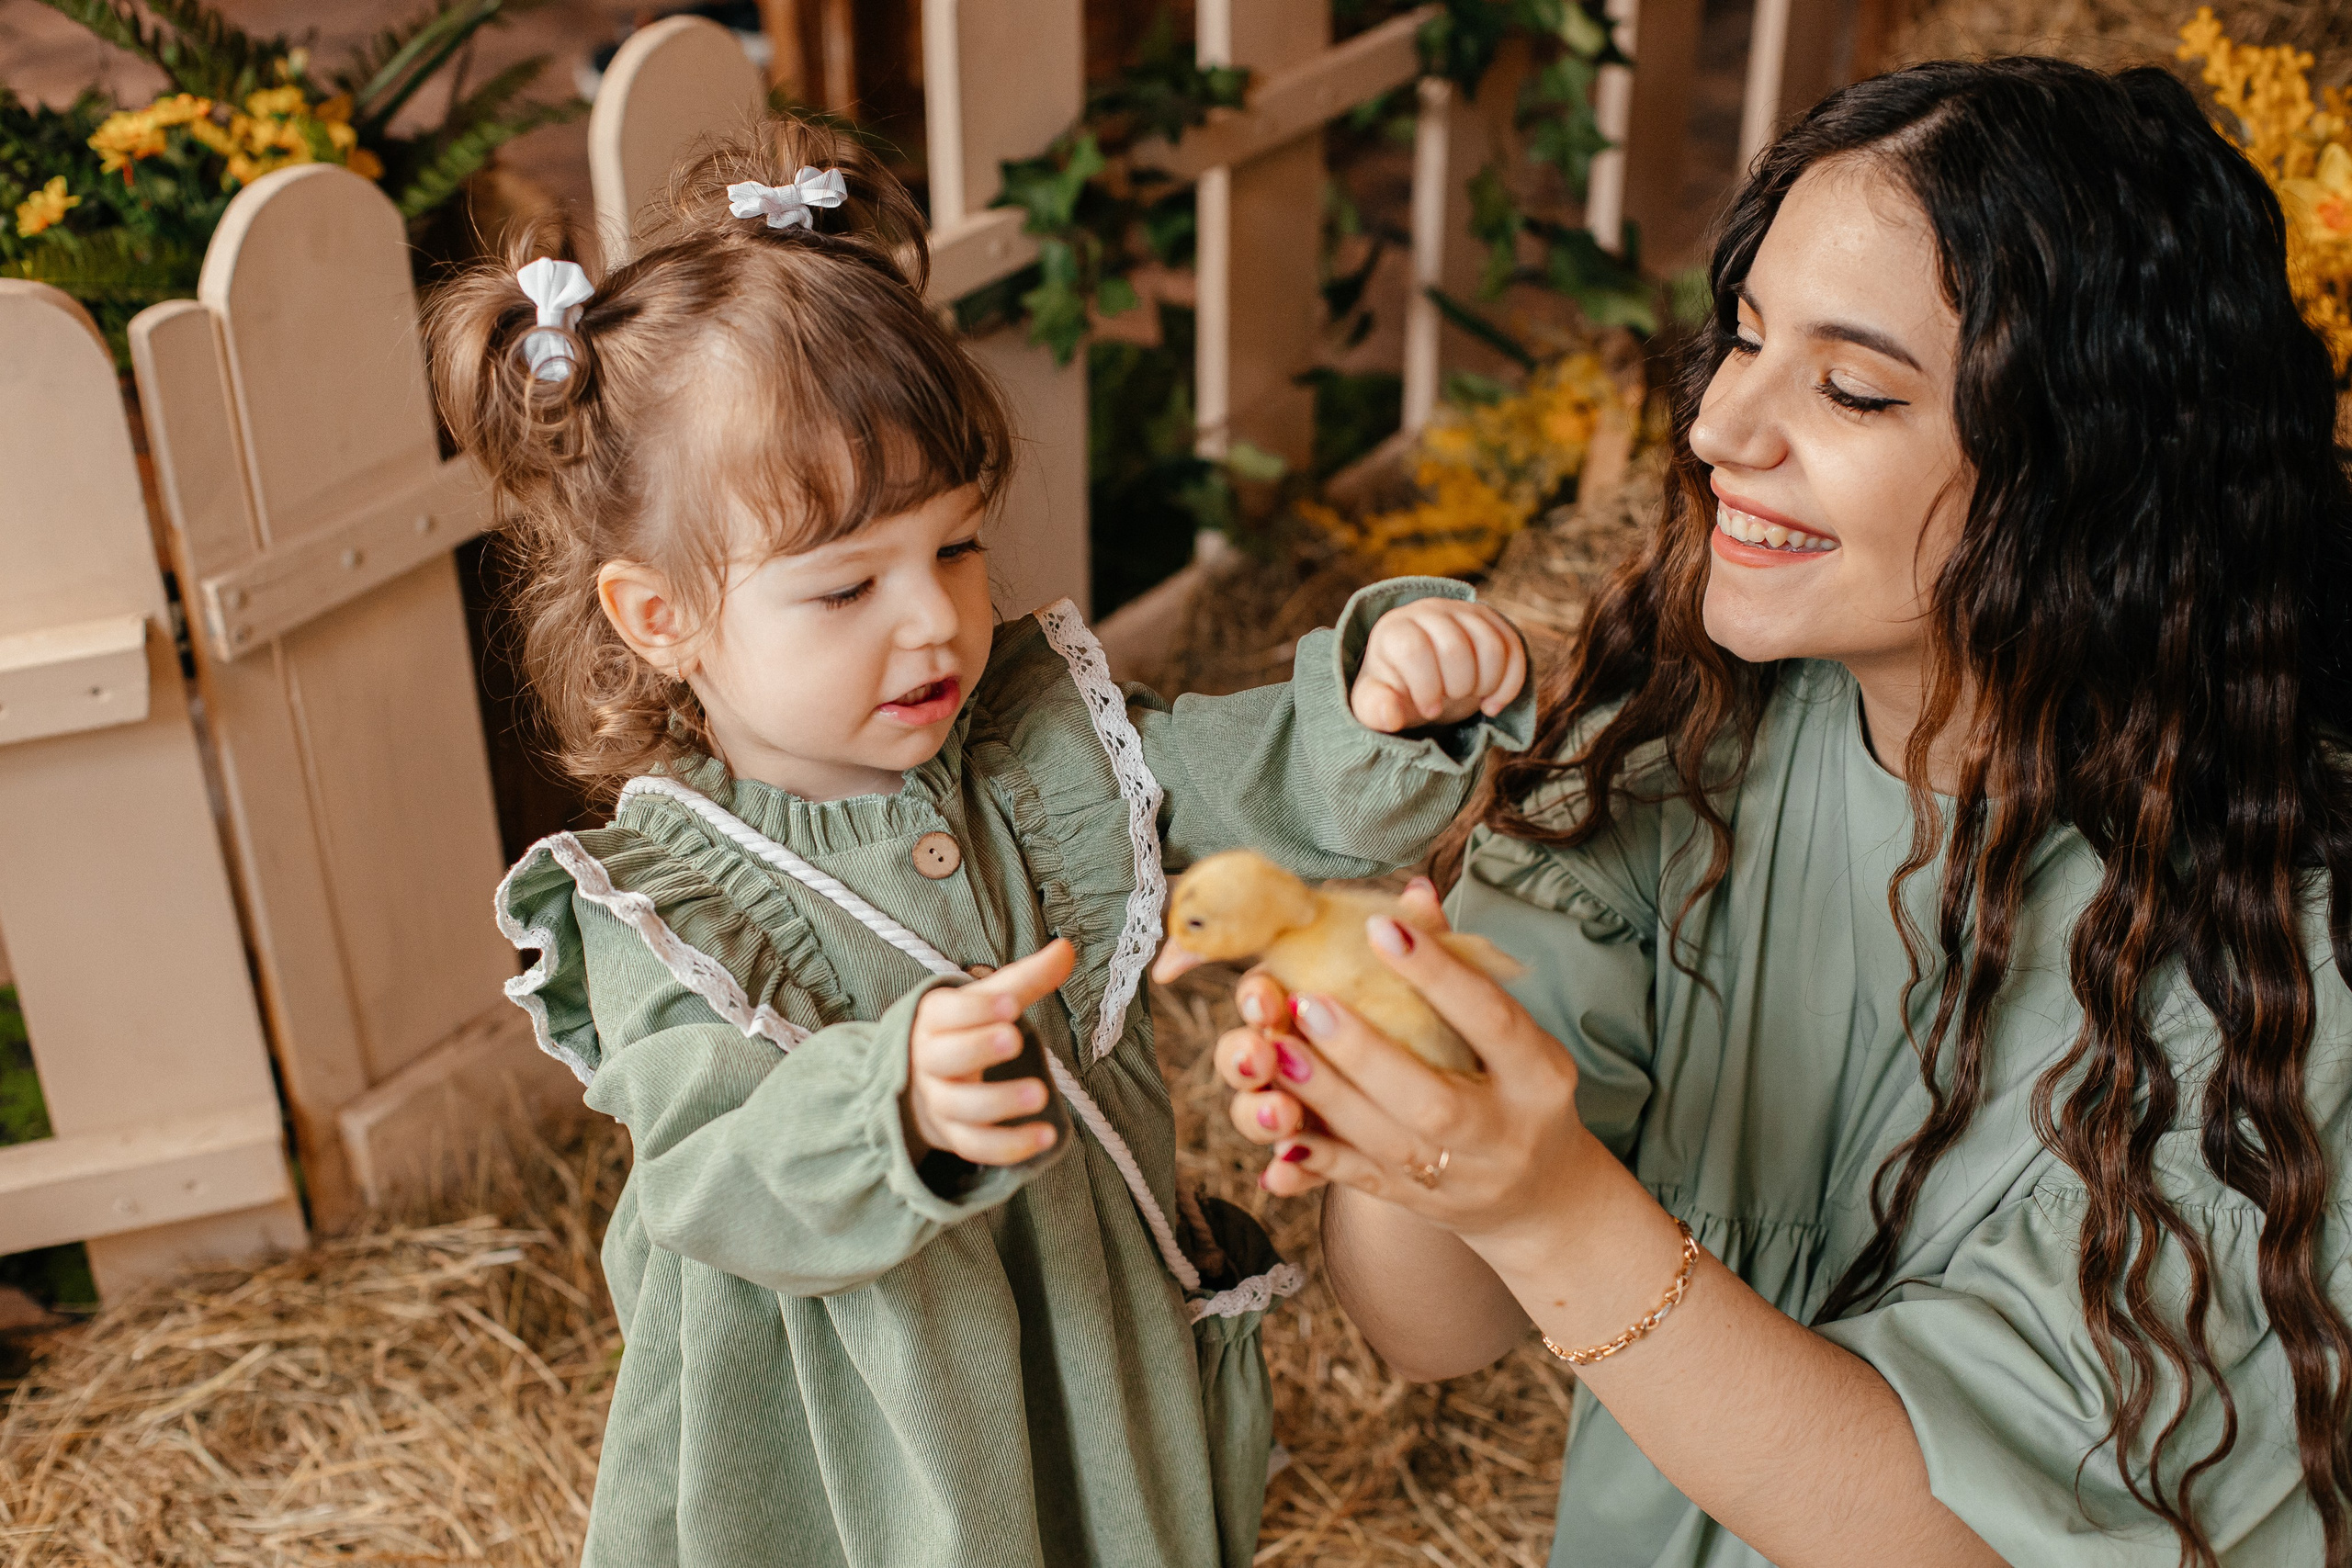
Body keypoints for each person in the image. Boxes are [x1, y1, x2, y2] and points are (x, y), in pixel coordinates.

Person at [1214, 57, 2352, 1568]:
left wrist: (1557, 1212)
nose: (1719, 428)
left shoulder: (2289, 964)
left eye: (1854, 388)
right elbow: (1433, 1328)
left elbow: (1962, 1545)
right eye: (1742, 340)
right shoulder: (1686, 746)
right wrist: (1411, 1108)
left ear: (2091, 467)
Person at [427, 117, 1533, 1568]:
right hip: (874, 1447)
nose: (935, 618)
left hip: (1090, 1347)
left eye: (952, 545)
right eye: (843, 589)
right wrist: (889, 1101)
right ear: (661, 618)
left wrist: (1386, 695)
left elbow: (1256, 780)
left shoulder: (1043, 737)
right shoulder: (663, 904)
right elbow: (711, 1178)